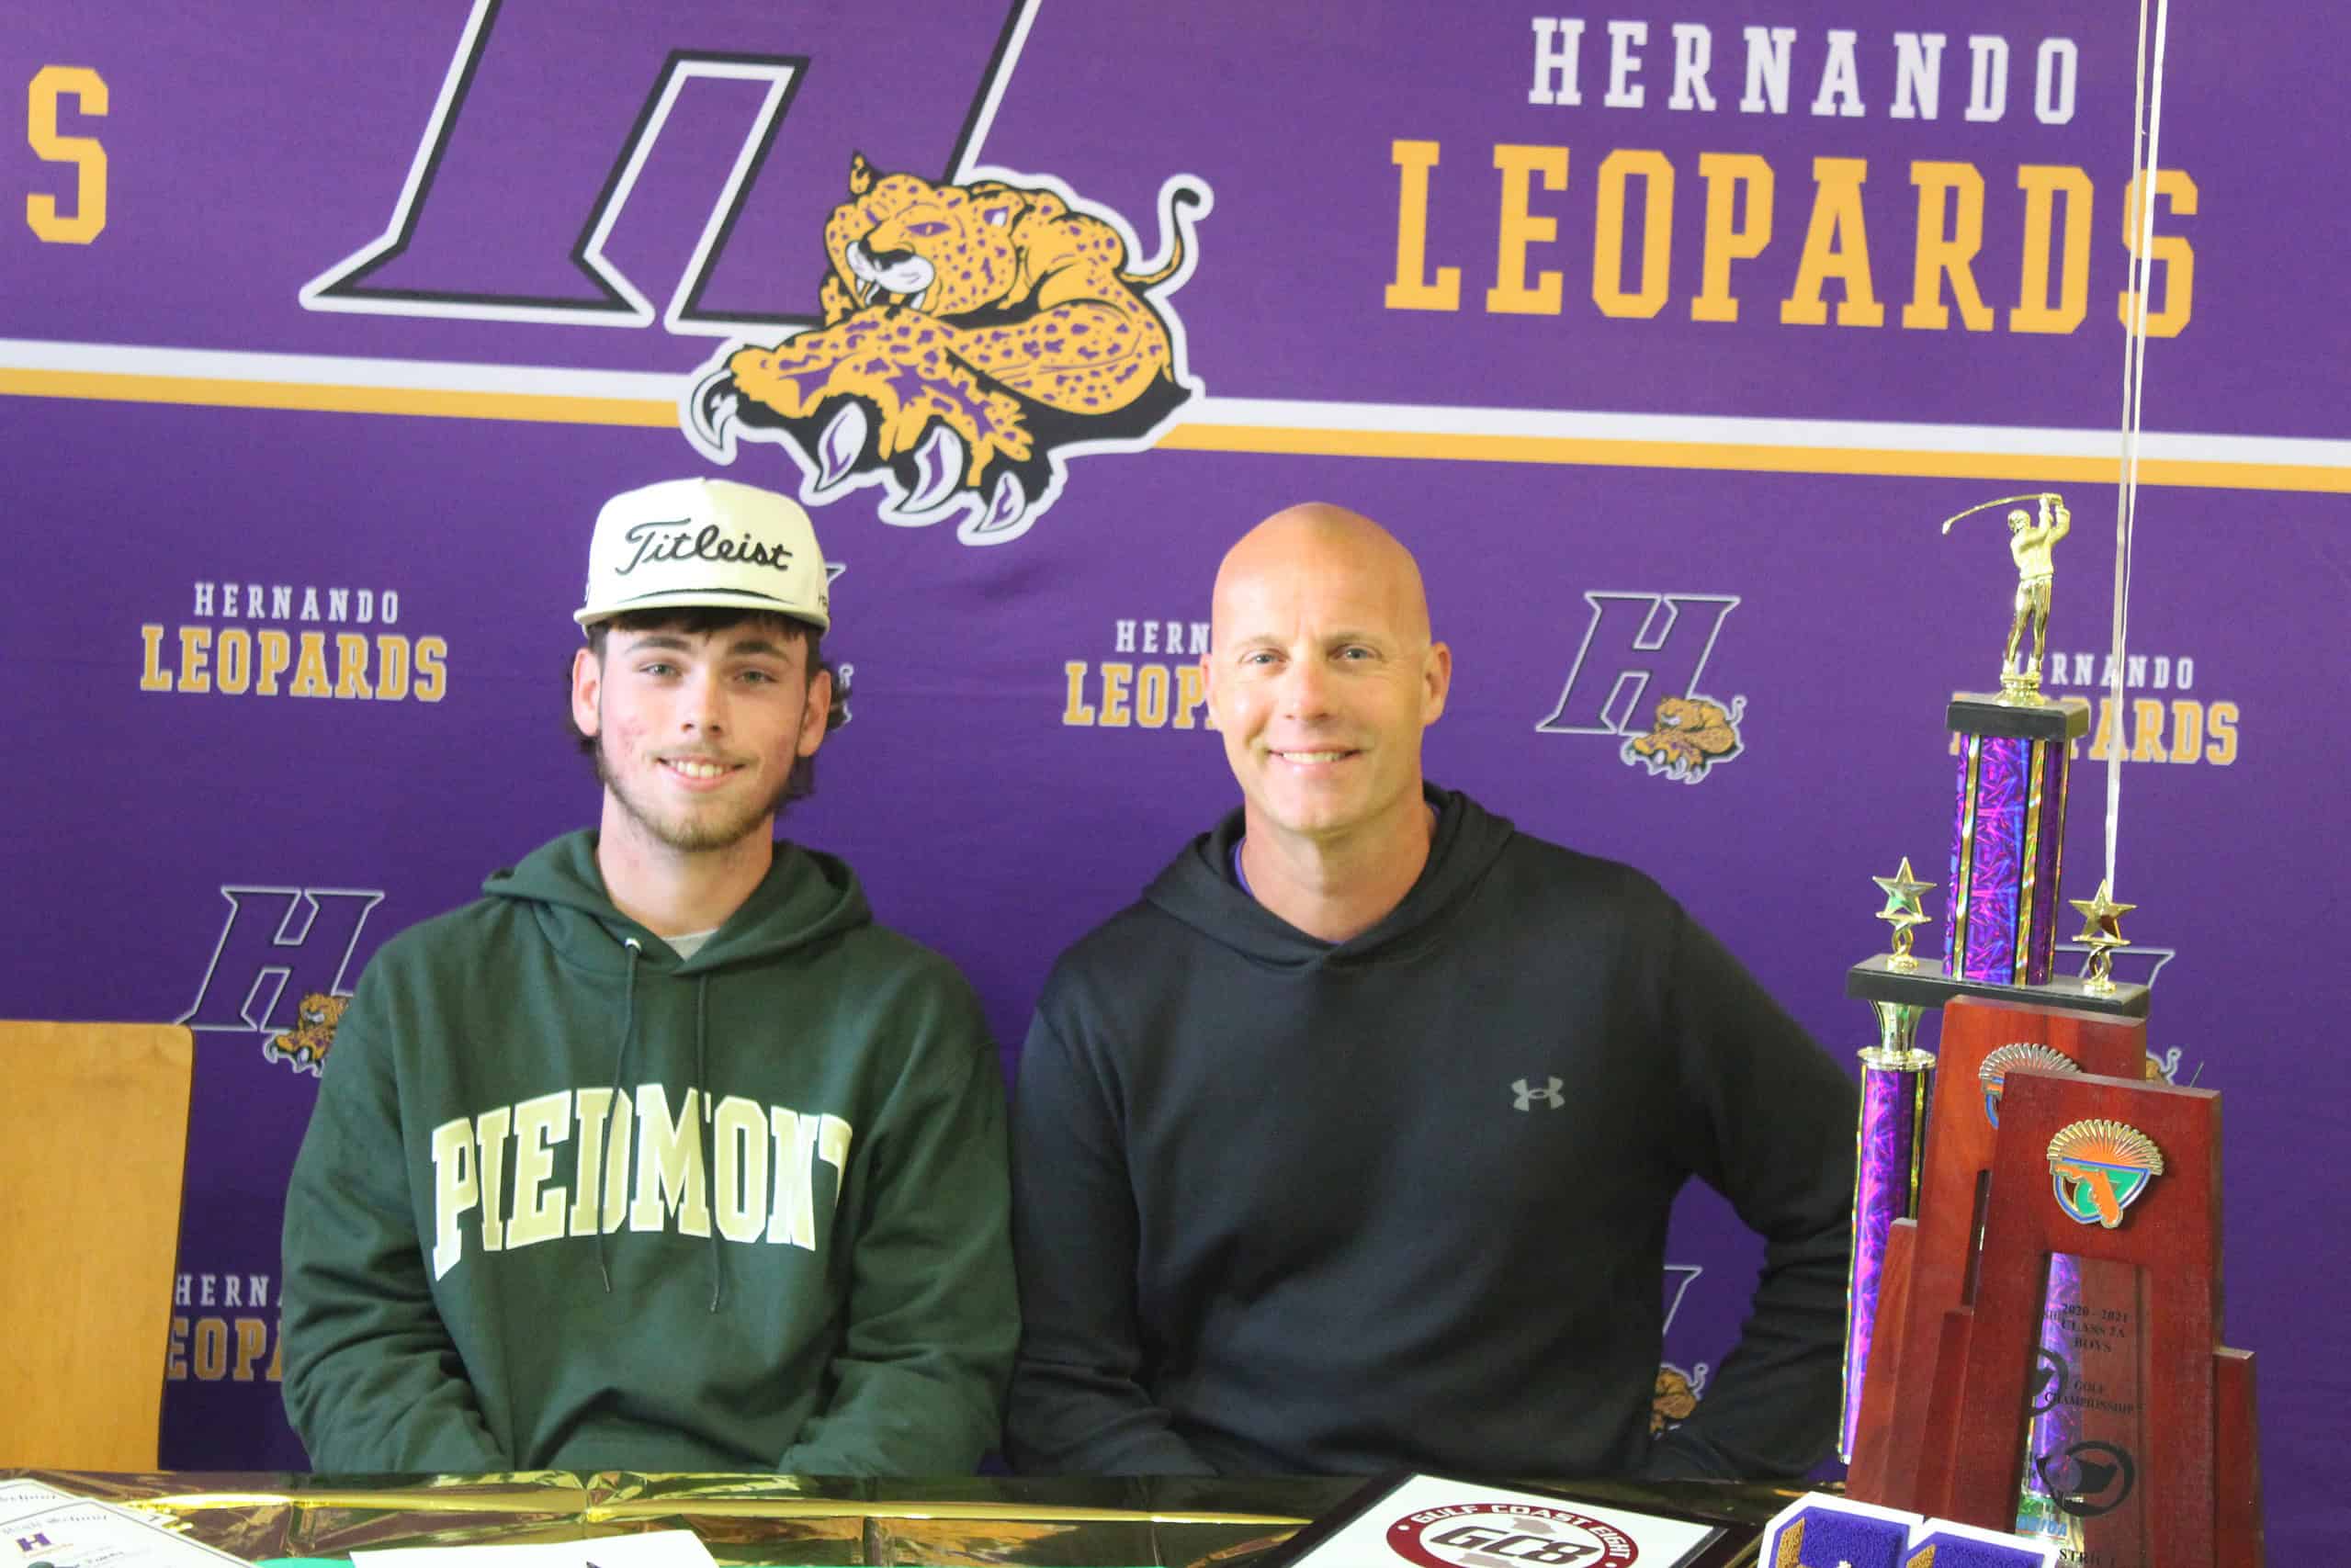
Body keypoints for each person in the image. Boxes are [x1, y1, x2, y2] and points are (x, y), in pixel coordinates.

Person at [1005, 502, 1859, 1479]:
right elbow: (1063, 1383)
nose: (1307, 699)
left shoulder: (1613, 945)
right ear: (1208, 689)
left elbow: (1863, 1219)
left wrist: (1695, 1498)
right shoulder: (1110, 999)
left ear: (1432, 682)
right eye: (1265, 658)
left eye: (1354, 653)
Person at [282, 477, 1017, 1473]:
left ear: (813, 710)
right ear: (591, 693)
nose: (700, 714)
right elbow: (352, 1336)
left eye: (752, 674)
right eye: (661, 666)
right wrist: (496, 1544)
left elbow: (933, 1363)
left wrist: (768, 1552)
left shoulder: (908, 1016)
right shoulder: (423, 993)